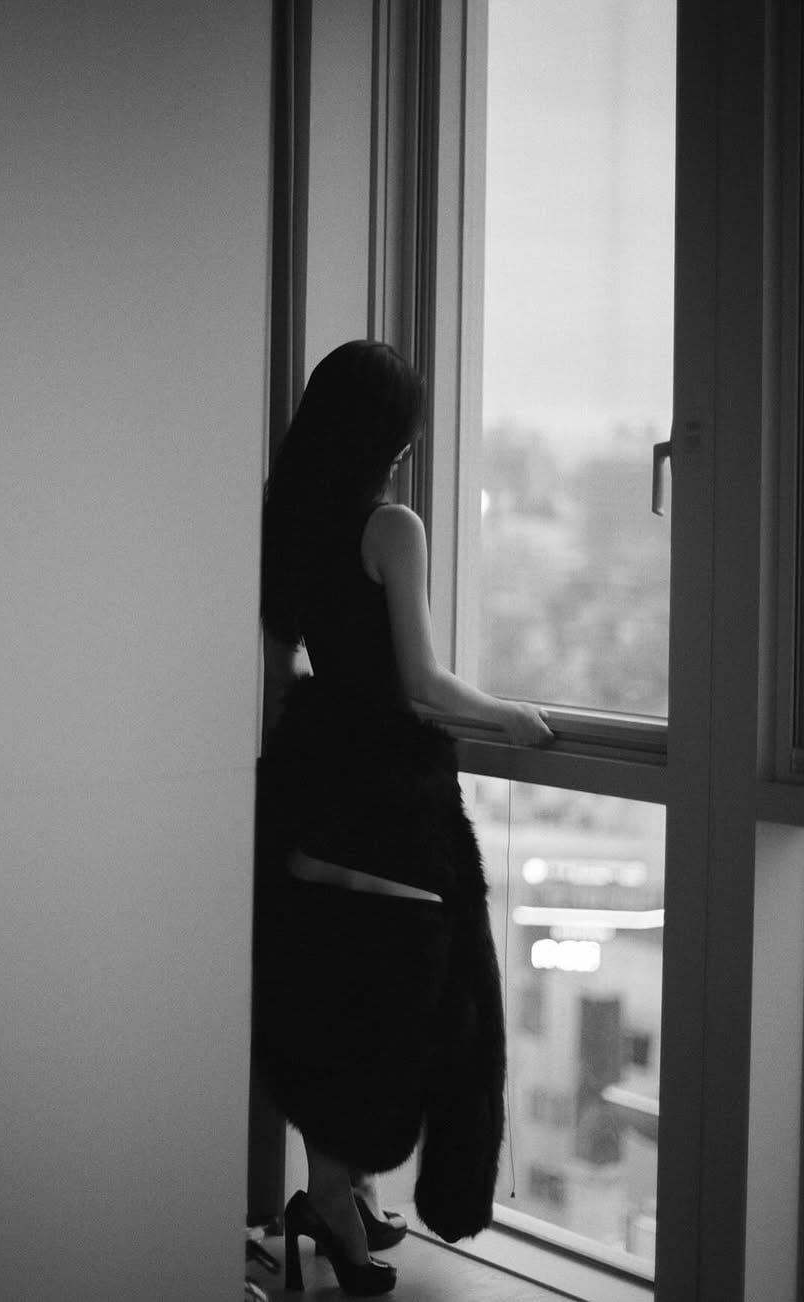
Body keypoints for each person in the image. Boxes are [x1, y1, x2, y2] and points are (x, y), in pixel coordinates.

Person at [253, 340, 552, 1296]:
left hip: (312, 793)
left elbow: (283, 669)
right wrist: (509, 715)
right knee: (396, 999)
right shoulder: (394, 527)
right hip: (389, 800)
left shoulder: (287, 519)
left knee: (323, 991)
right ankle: (339, 1198)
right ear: (389, 436)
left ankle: (335, 1194)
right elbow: (421, 683)